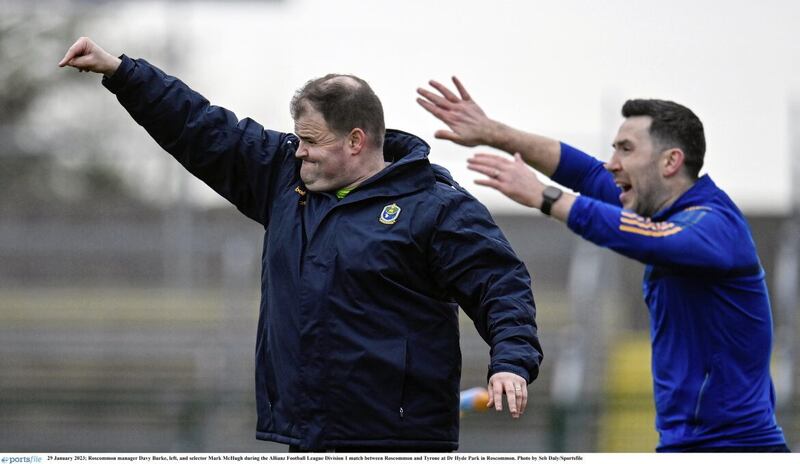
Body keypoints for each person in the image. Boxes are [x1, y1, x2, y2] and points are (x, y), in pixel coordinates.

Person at [58, 38, 543, 452]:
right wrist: (122, 72)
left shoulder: (435, 208)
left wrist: (512, 362)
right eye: (296, 138)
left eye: (311, 139)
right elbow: (202, 126)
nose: (300, 150)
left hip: (401, 440)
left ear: (356, 141)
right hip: (306, 435)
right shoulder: (284, 177)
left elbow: (500, 284)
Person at [417, 77, 790, 452]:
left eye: (626, 150)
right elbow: (586, 173)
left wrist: (545, 196)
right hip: (688, 446)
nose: (612, 164)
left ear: (671, 161)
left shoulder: (715, 224)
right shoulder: (661, 208)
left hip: (737, 449)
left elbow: (648, 238)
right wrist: (494, 132)